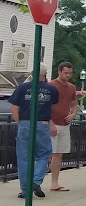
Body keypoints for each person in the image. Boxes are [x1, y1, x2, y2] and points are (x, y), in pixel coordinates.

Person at [11, 64, 59, 199]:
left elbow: (14, 109)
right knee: (44, 154)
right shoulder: (51, 89)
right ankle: (36, 181)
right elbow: (53, 107)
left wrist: (20, 123)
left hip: (25, 123)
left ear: (32, 74)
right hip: (42, 123)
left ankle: (25, 190)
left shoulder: (22, 88)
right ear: (45, 74)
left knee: (24, 158)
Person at [48, 61, 78, 193]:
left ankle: (54, 182)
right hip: (52, 123)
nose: (68, 75)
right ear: (59, 72)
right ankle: (36, 180)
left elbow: (73, 103)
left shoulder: (71, 88)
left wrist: (73, 114)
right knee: (49, 154)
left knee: (59, 154)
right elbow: (45, 106)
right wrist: (50, 123)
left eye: (70, 73)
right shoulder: (51, 85)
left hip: (64, 124)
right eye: (66, 73)